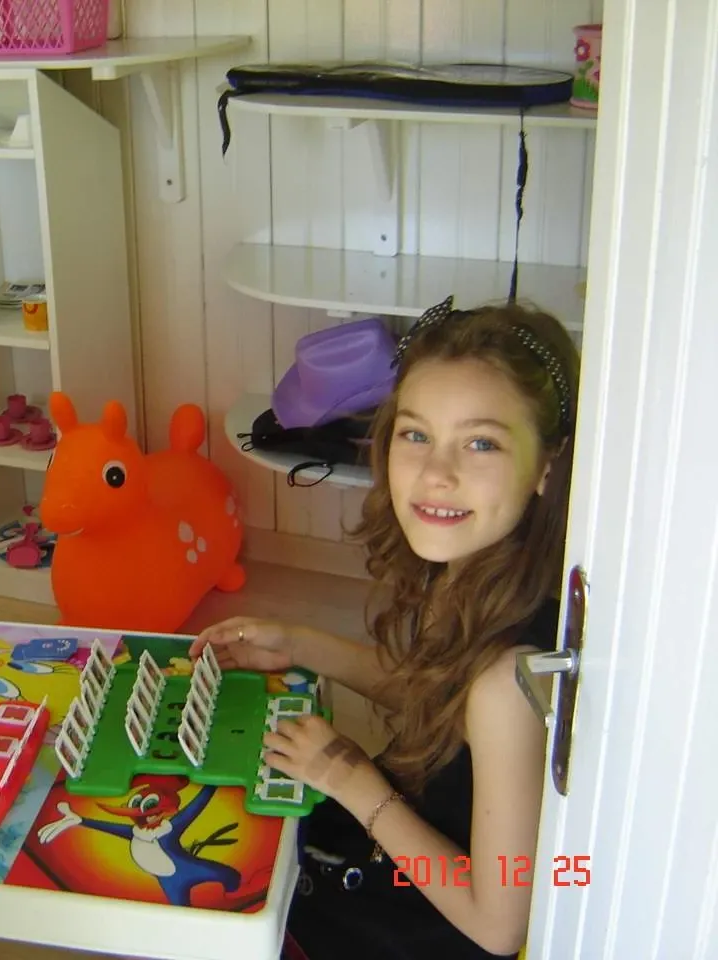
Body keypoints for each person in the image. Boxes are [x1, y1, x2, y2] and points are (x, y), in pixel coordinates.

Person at [192, 297, 579, 959]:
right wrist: (301, 644)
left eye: (481, 442)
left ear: (547, 464)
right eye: (415, 433)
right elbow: (437, 702)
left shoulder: (505, 682)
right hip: (388, 847)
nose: (435, 473)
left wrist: (348, 779)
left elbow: (499, 923)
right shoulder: (468, 566)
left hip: (413, 926)